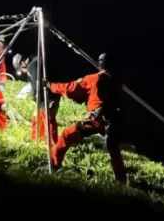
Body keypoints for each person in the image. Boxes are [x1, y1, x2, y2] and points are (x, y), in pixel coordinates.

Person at [47, 53, 127, 183]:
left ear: (100, 64)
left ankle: (54, 164)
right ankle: (122, 180)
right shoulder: (117, 81)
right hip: (114, 121)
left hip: (97, 119)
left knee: (67, 134)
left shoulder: (93, 79)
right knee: (113, 149)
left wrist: (51, 86)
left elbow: (70, 88)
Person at [12, 53, 60, 143]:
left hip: (48, 97)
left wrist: (35, 97)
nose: (22, 72)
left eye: (21, 70)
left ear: (23, 64)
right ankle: (37, 139)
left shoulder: (33, 65)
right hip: (42, 97)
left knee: (48, 119)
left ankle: (52, 144)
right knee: (37, 117)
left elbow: (37, 84)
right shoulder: (34, 63)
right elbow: (31, 84)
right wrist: (21, 95)